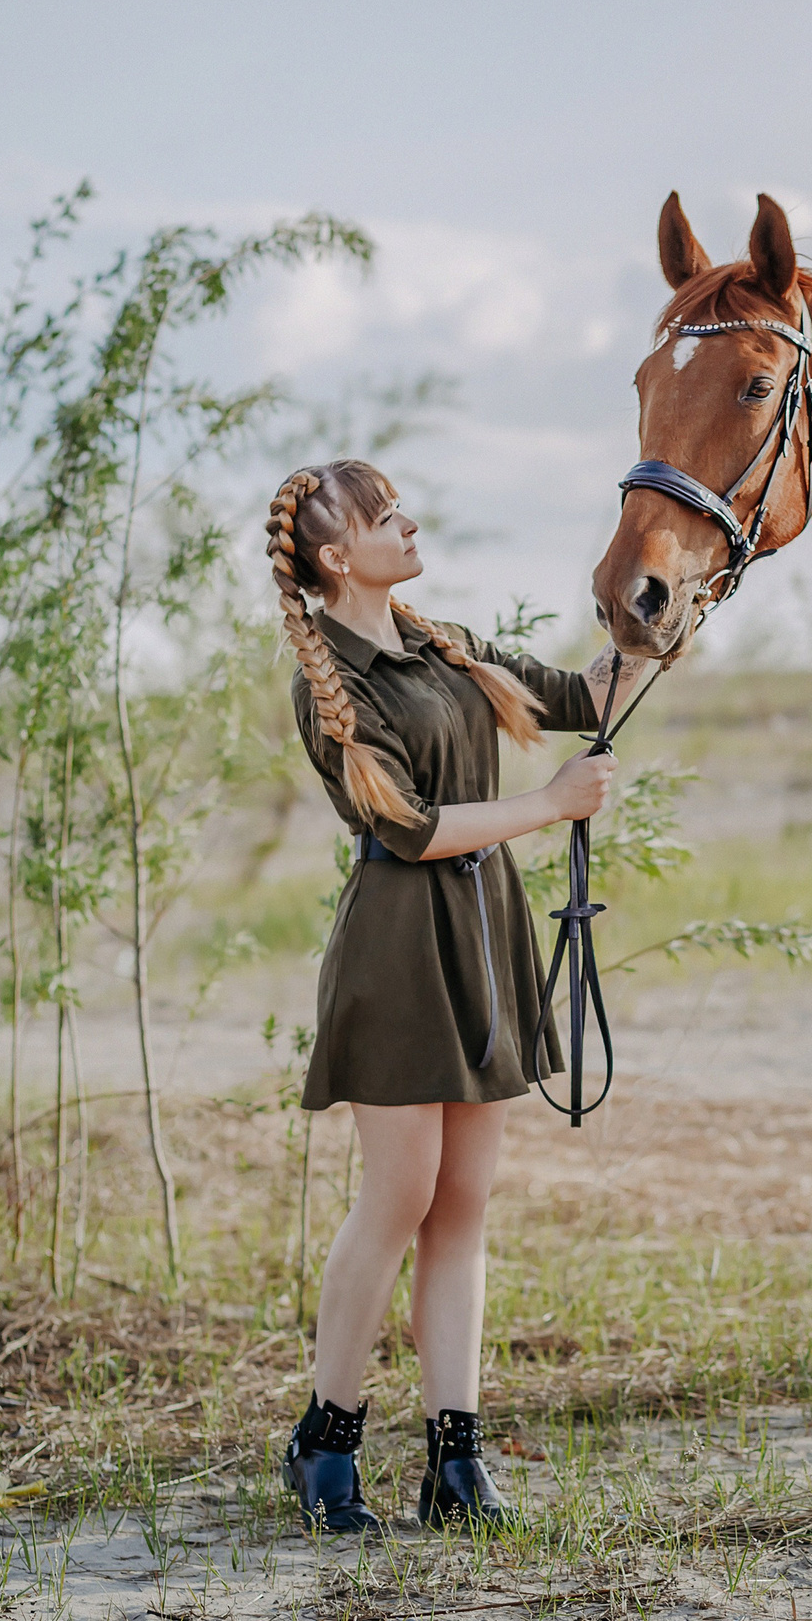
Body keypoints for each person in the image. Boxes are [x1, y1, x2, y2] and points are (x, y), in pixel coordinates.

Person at [263, 459, 645, 1533]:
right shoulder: (328, 684)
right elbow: (411, 829)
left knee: (464, 1206)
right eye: (389, 518)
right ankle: (326, 1447)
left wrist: (658, 601)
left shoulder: (446, 644)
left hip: (484, 940)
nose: (411, 522)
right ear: (339, 558)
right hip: (398, 950)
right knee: (399, 1195)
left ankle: (455, 1462)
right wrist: (549, 804)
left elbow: (582, 696)